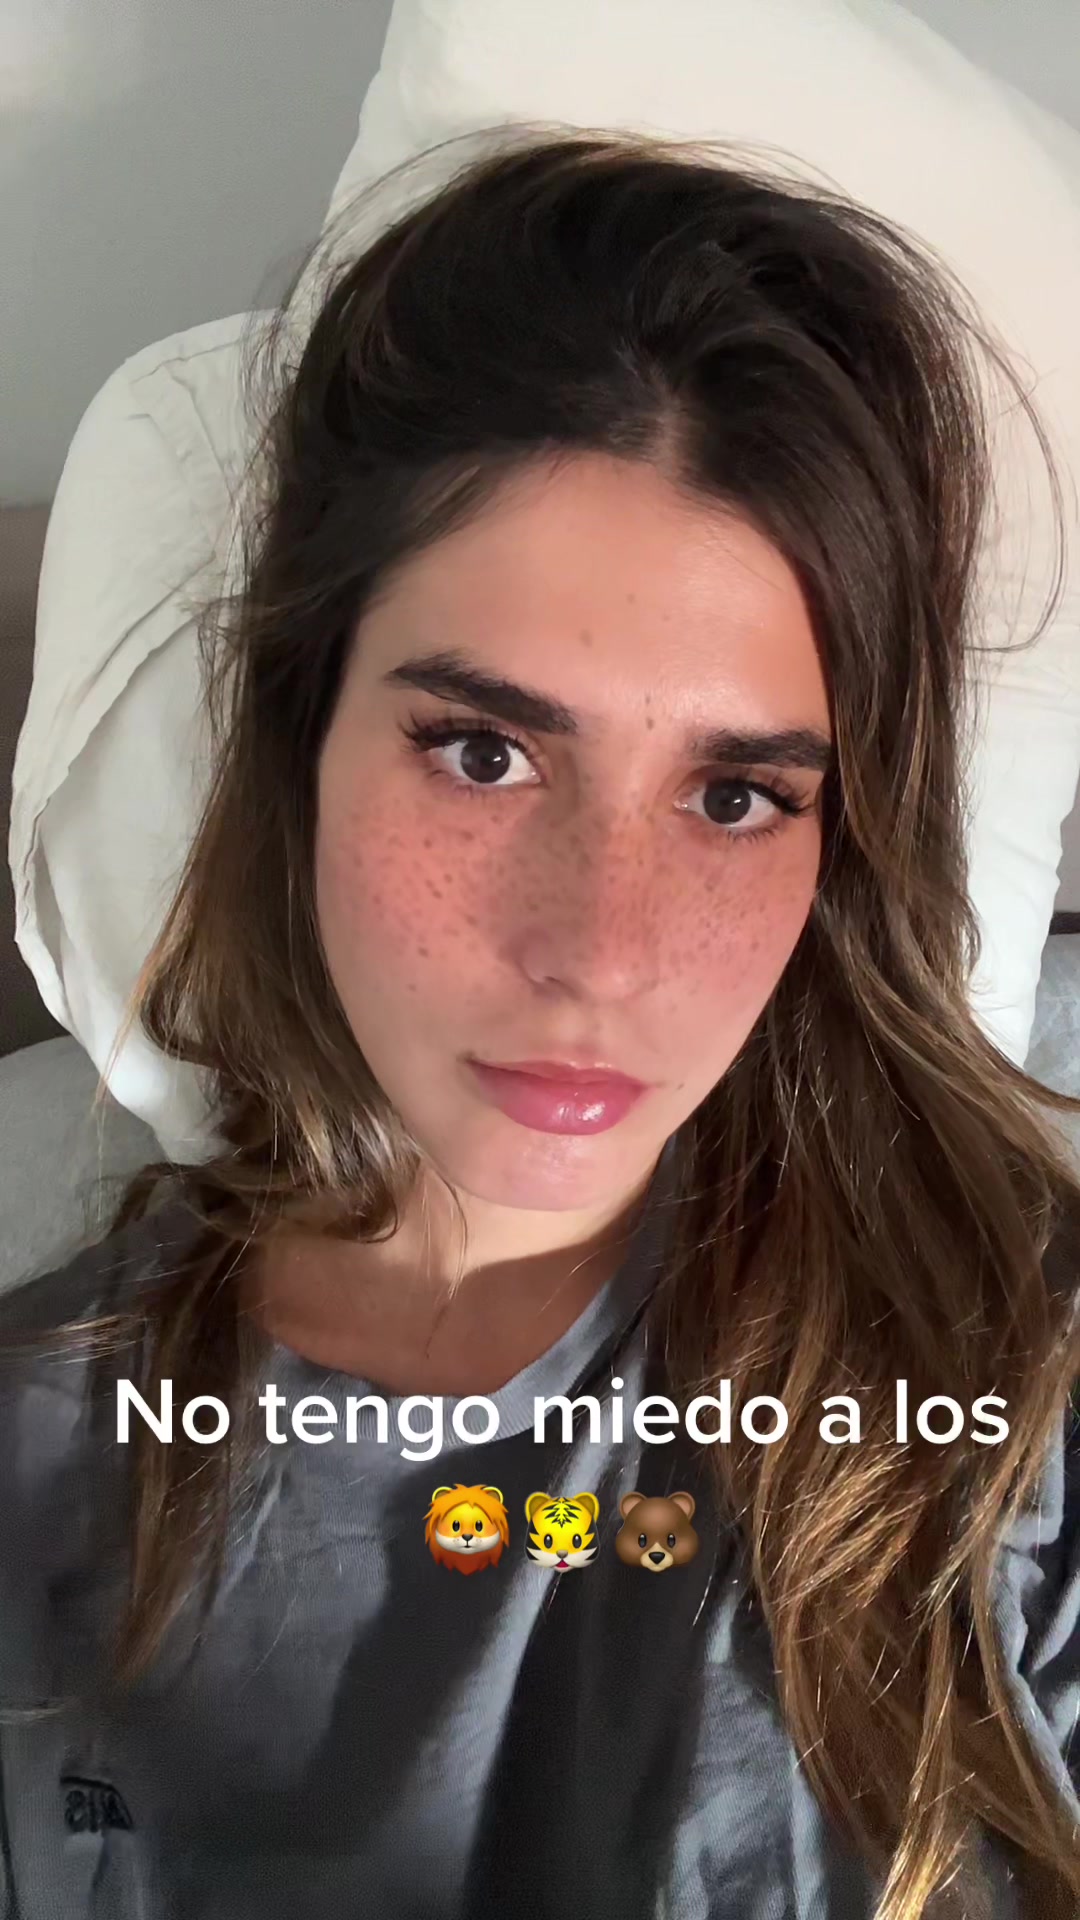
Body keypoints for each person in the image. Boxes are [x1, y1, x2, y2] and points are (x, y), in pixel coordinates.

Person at [1, 126, 1078, 1920]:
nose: (601, 954)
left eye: (735, 796)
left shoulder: (1021, 1398)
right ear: (298, 740)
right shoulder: (43, 1468)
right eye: (484, 753)